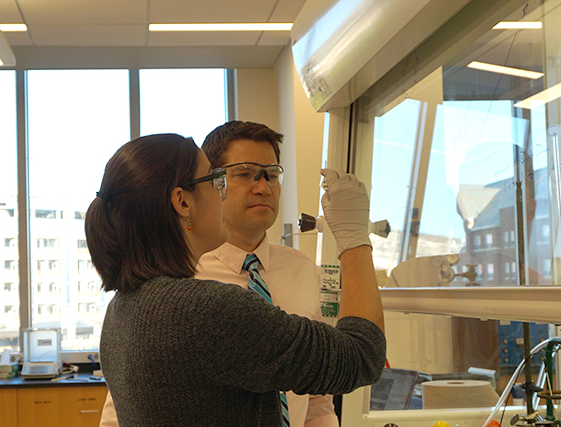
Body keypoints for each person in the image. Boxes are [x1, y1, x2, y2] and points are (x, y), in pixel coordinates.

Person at [86, 133, 384, 427]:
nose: (224, 192)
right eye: (215, 181)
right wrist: (353, 237)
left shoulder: (122, 308)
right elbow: (362, 354)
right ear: (183, 202)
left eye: (271, 175)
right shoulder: (207, 309)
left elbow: (316, 397)